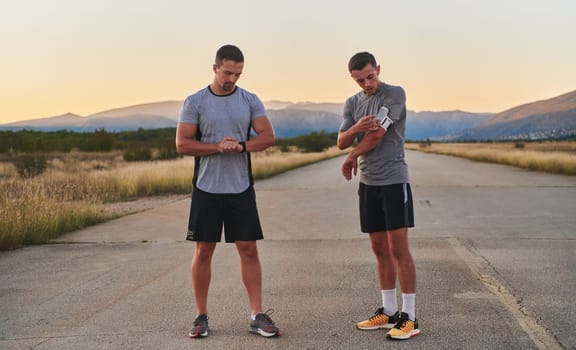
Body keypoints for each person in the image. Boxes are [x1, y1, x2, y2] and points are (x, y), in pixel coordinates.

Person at [175, 44, 280, 338]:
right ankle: (200, 316)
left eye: (237, 74)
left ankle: (257, 314)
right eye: (227, 72)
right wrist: (216, 147)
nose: (231, 78)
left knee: (248, 248)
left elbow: (268, 137)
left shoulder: (249, 100)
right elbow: (182, 144)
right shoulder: (195, 101)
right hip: (206, 188)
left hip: (240, 188)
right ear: (215, 68)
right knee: (204, 250)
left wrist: (242, 146)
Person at [337, 51, 420, 340]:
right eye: (360, 80)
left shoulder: (394, 94)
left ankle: (410, 317)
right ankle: (388, 311)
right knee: (379, 250)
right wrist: (356, 128)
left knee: (399, 250)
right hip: (369, 184)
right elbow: (340, 140)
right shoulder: (352, 103)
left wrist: (351, 156)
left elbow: (377, 135)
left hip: (393, 180)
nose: (367, 84)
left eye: (370, 77)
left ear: (378, 70)